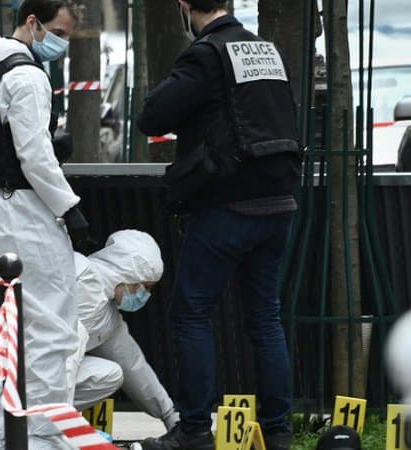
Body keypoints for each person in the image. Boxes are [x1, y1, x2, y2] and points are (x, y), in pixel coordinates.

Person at [136, 1, 302, 449]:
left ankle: (193, 431)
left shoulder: (206, 53)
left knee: (191, 314)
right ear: (227, 3)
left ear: (184, 6)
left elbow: (152, 117)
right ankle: (278, 431)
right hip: (280, 201)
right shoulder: (265, 50)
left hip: (229, 204)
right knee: (265, 317)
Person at [0, 1, 95, 448]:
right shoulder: (27, 75)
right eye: (58, 31)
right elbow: (32, 154)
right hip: (22, 213)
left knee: (3, 328)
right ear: (32, 22)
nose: (61, 42)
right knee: (52, 330)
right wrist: (70, 209)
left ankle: (0, 436)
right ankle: (44, 437)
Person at [0, 230, 180, 431]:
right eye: (145, 286)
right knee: (67, 375)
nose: (145, 295)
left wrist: (169, 415)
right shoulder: (84, 284)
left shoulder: (104, 307)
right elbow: (65, 359)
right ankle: (17, 424)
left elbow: (133, 365)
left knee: (111, 373)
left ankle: (20, 422)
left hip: (7, 360)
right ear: (129, 275)